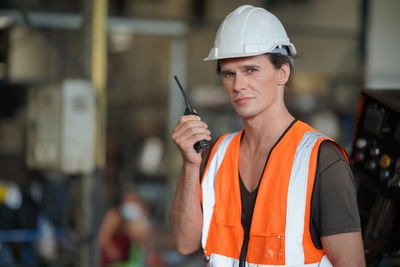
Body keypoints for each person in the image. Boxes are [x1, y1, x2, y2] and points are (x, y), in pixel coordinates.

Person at [170, 5, 365, 267]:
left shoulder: (320, 159)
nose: (238, 85)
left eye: (251, 70)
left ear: (282, 73)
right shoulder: (216, 154)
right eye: (229, 73)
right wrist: (190, 165)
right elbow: (185, 243)